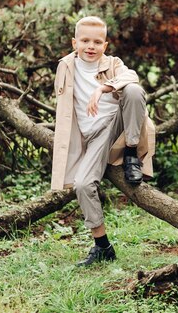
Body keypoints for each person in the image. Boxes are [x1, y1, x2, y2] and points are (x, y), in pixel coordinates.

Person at [51, 16, 155, 267]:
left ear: (105, 46)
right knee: (83, 184)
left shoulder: (113, 63)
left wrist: (103, 89)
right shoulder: (66, 66)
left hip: (116, 126)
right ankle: (102, 246)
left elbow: (131, 77)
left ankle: (131, 152)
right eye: (85, 40)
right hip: (92, 136)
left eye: (97, 42)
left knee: (132, 90)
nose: (91, 46)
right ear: (74, 42)